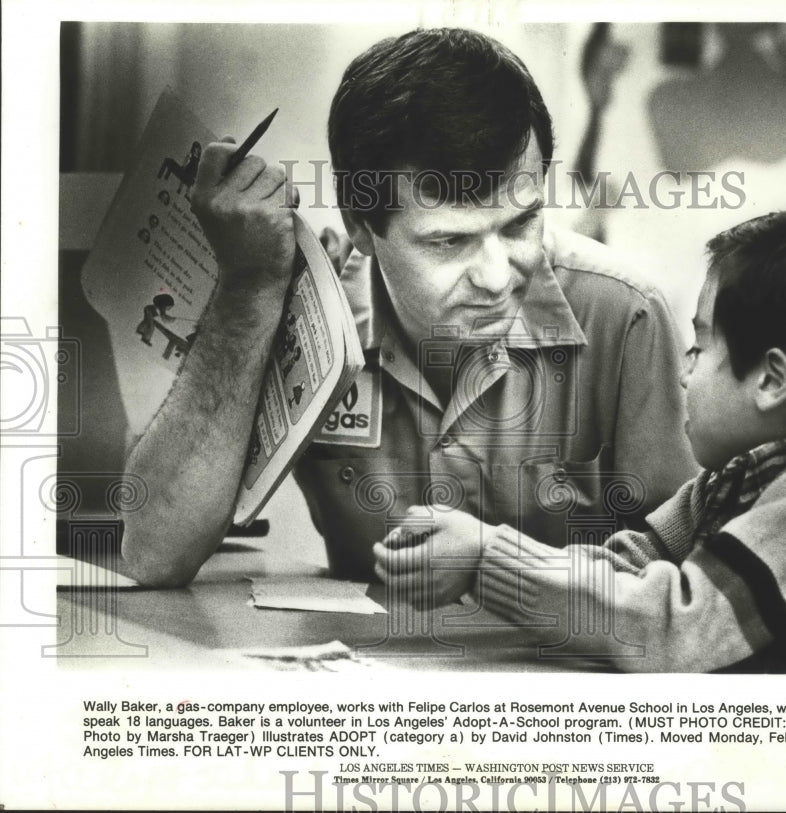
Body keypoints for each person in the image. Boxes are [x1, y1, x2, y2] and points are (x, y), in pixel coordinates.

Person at [121, 28, 697, 587]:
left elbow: (688, 575)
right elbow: (154, 553)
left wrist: (499, 563)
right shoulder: (303, 313)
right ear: (361, 226)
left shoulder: (626, 315)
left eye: (521, 223)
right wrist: (247, 292)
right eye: (449, 241)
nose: (498, 276)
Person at [377, 203, 786, 673]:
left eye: (700, 346)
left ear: (770, 379)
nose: (683, 371)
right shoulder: (722, 489)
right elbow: (620, 572)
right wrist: (473, 556)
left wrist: (485, 559)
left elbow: (674, 628)